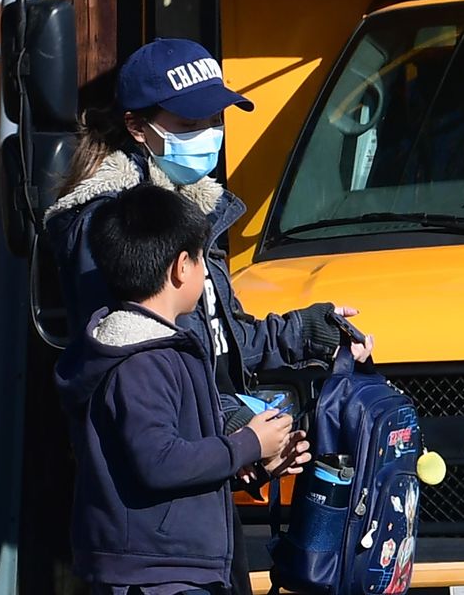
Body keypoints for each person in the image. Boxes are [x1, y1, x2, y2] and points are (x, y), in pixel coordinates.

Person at [45, 37, 371, 593]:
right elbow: (139, 371)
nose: (209, 134)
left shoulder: (190, 204)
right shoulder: (117, 228)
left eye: (215, 119)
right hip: (152, 538)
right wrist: (242, 436)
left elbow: (221, 335)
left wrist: (310, 331)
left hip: (201, 505)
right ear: (137, 126)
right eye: (190, 122)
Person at [56, 184, 310, 595]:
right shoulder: (143, 361)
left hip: (169, 567)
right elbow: (159, 461)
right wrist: (246, 443)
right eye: (200, 259)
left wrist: (256, 463)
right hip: (155, 573)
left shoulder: (157, 351)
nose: (205, 271)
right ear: (180, 268)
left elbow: (174, 460)